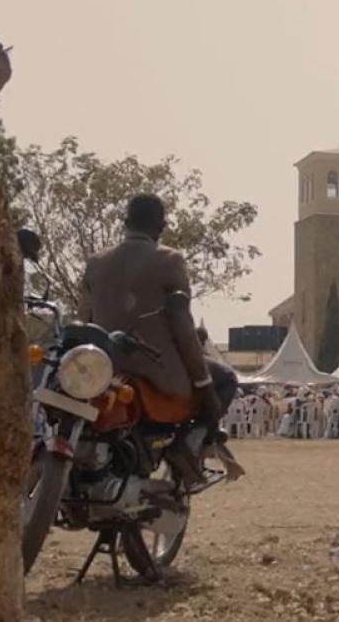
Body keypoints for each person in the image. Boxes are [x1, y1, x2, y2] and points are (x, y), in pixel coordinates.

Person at [78, 194, 238, 471]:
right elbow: (183, 330)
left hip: (105, 372)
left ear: (125, 223)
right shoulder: (169, 260)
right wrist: (204, 385)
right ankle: (186, 447)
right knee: (226, 379)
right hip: (158, 374)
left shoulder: (96, 263)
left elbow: (84, 322)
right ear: (161, 227)